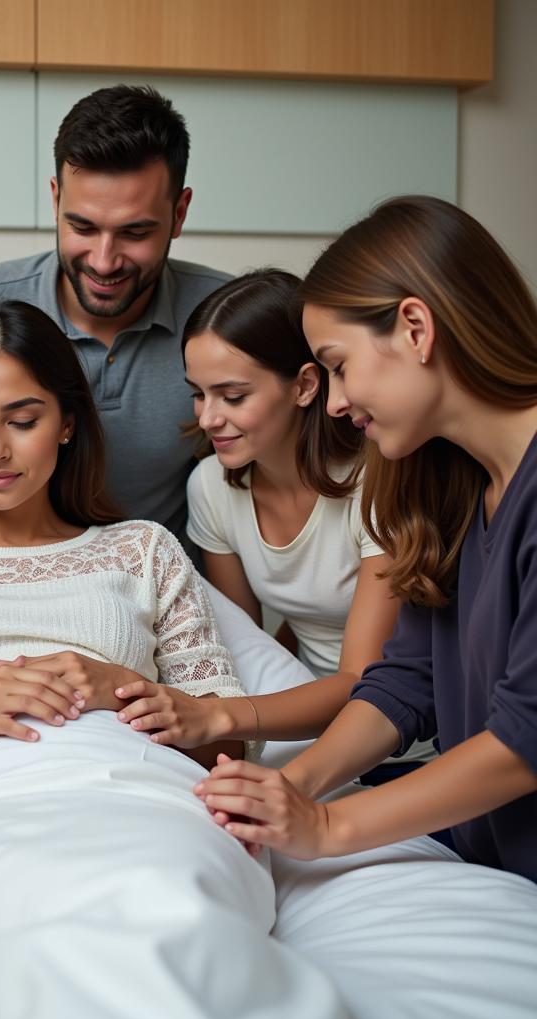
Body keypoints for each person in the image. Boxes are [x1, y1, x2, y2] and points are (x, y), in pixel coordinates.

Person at [0, 300, 348, 1019]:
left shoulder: (142, 550)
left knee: (171, 922)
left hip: (138, 799)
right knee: (4, 930)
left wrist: (127, 689)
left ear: (67, 422)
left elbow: (227, 747)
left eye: (23, 419)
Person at [196, 196, 537, 883]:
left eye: (340, 365)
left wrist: (326, 827)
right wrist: (292, 787)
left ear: (415, 328)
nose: (335, 403)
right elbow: (405, 681)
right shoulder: (452, 485)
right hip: (483, 862)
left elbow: (523, 742)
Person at [0, 84, 230, 540]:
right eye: (82, 226)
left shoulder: (224, 319)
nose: (104, 261)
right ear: (55, 198)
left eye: (135, 232)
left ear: (179, 214)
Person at [123, 270, 430, 771]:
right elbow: (247, 646)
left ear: (306, 385)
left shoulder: (377, 483)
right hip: (291, 723)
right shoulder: (212, 487)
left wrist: (217, 716)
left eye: (233, 396)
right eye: (199, 393)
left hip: (394, 742)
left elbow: (363, 679)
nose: (207, 418)